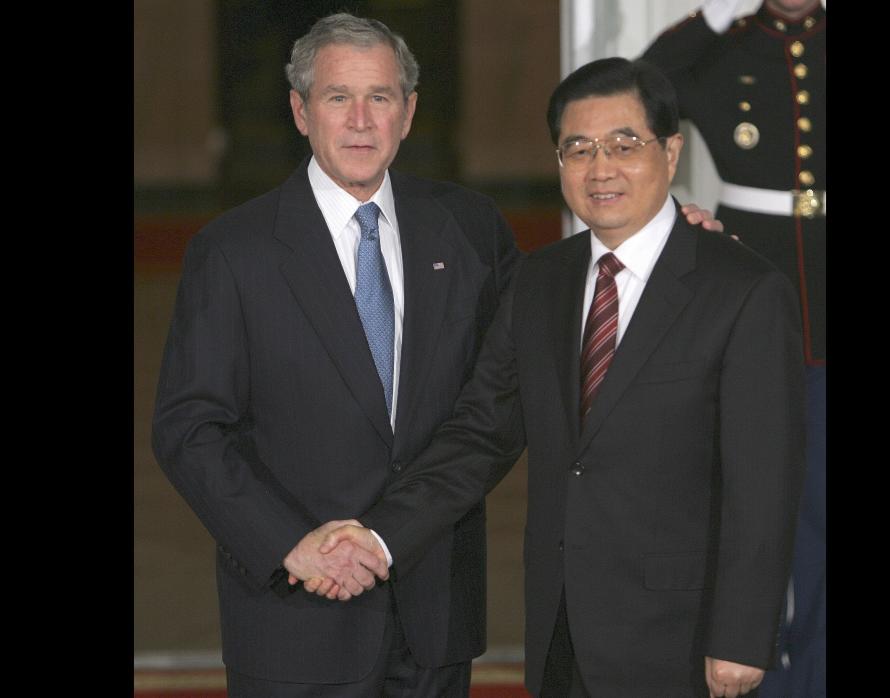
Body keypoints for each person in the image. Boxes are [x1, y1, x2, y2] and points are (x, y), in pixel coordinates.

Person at [151, 12, 724, 697]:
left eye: (382, 97)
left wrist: (655, 242)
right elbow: (188, 428)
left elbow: (555, 319)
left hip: (434, 617)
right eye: (339, 98)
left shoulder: (470, 228)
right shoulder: (233, 252)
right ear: (302, 111)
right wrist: (291, 546)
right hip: (295, 617)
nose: (361, 121)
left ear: (410, 111)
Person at [316, 57, 806, 698]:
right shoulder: (538, 281)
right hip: (561, 631)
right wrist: (379, 538)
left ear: (672, 151)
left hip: (684, 640)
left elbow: (763, 486)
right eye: (578, 149)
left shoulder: (743, 291)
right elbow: (480, 435)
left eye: (625, 145)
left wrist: (740, 638)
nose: (601, 168)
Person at [642, 3, 825, 695]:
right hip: (750, 275)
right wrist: (714, 16)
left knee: (821, 515)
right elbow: (641, 90)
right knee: (746, 503)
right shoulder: (723, 46)